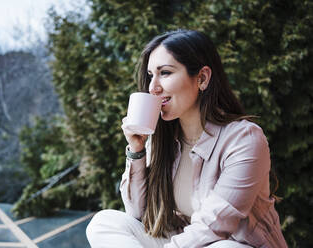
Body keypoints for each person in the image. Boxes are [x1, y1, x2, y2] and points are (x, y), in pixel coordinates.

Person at [86, 29, 288, 247]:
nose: (153, 87)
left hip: (230, 244)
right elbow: (137, 212)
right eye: (150, 75)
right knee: (104, 222)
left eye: (165, 73)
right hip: (184, 243)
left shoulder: (244, 139)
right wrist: (136, 150)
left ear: (202, 78)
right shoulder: (162, 137)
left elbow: (215, 225)